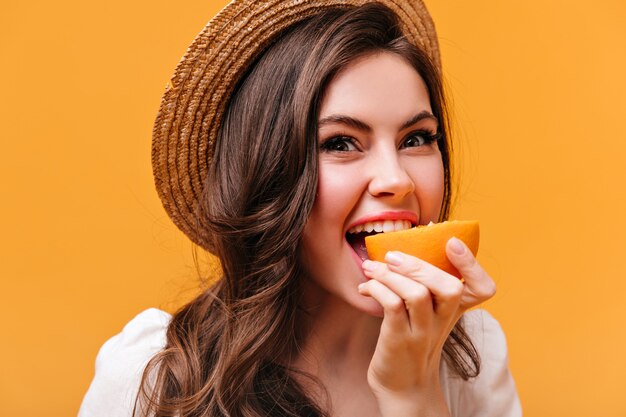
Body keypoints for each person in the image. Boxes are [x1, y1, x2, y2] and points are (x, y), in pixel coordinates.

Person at [79, 1, 522, 416]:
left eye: (416, 138)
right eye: (340, 143)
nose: (397, 180)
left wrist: (413, 394)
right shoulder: (153, 375)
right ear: (269, 174)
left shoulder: (473, 360)